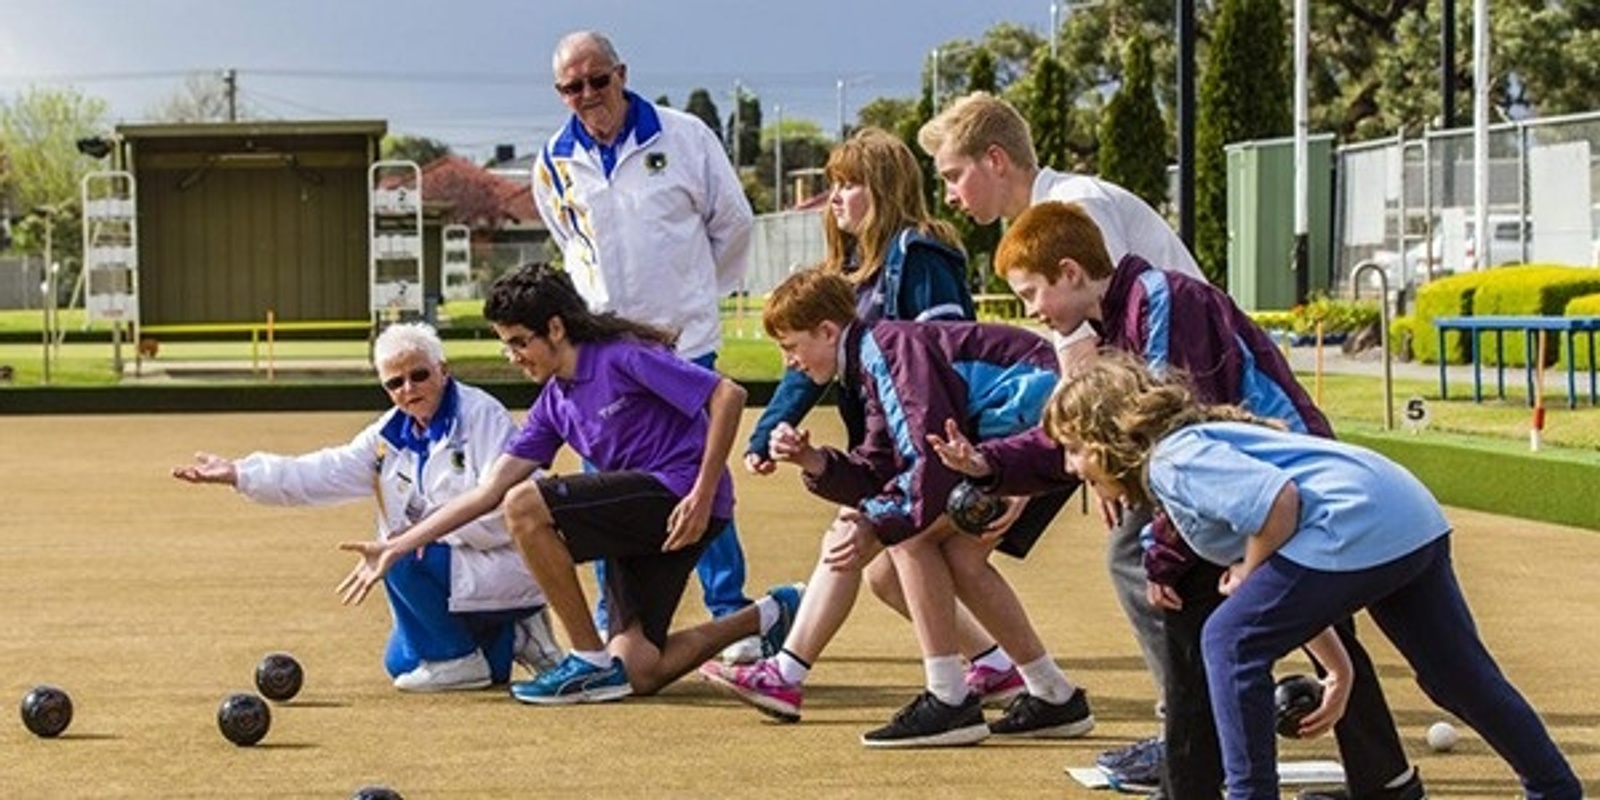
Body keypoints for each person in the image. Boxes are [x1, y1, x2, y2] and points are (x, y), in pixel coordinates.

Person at [968, 201, 1420, 799]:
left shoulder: (1159, 300)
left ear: (1071, 272)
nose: (1030, 310)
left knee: (1193, 618)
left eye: (1032, 292)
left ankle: (1201, 785)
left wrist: (1165, 553)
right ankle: (1382, 782)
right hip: (1254, 487)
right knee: (1264, 625)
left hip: (1279, 481)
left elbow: (1167, 435)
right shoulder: (1124, 317)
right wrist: (992, 464)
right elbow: (1104, 435)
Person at [1041, 356, 1584, 800]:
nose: (1071, 467)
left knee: (1228, 638)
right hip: (1407, 514)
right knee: (1456, 676)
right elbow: (1300, 582)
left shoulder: (1172, 461)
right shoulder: (1198, 446)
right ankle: (1555, 788)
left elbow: (1279, 503)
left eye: (1074, 448)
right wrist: (1338, 668)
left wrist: (1248, 574)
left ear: (1108, 433)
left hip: (1357, 523)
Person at [335, 264, 800, 704]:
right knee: (639, 671)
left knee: (525, 504)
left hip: (681, 496)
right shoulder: (554, 403)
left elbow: (727, 394)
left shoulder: (621, 356)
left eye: (519, 342)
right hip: (644, 517)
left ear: (555, 328)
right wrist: (399, 546)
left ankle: (586, 659)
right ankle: (770, 613)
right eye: (506, 345)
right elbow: (485, 493)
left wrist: (701, 491)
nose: (513, 357)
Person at [707, 127, 1027, 717]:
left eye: (850, 184)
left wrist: (964, 457)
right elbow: (808, 367)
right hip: (892, 444)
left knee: (847, 538)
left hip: (930, 444)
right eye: (833, 184)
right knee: (883, 575)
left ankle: (786, 671)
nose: (837, 197)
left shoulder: (919, 254)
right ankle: (998, 665)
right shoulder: (850, 274)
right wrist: (766, 430)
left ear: (883, 188)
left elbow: (947, 351)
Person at [711, 267, 1090, 748]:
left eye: (790, 347)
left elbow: (924, 460)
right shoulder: (871, 357)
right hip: (1021, 437)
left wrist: (873, 520)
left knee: (911, 534)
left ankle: (949, 698)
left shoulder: (889, 350)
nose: (790, 364)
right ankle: (1052, 693)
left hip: (1039, 434)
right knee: (955, 559)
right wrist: (815, 461)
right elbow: (880, 463)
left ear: (828, 331)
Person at [533, 29, 761, 663]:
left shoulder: (685, 136)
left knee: (700, 481)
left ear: (622, 74)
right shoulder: (551, 160)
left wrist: (694, 297)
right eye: (571, 87)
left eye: (597, 80)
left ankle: (731, 612)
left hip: (682, 345)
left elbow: (733, 226)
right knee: (604, 488)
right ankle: (616, 621)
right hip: (601, 357)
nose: (587, 95)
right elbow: (567, 244)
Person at [171, 322, 561, 692]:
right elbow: (323, 471)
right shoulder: (387, 434)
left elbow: (508, 508)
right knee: (401, 663)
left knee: (400, 551)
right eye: (395, 383)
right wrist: (241, 473)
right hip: (449, 568)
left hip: (505, 560)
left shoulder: (481, 416)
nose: (408, 389)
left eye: (419, 375)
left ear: (442, 369)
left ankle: (460, 658)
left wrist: (426, 534)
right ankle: (510, 638)